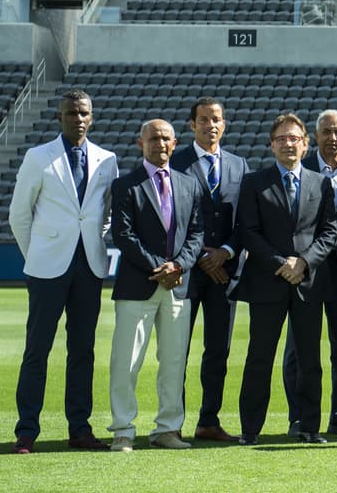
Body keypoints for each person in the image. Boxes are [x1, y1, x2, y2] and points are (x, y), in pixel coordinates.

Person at [8, 89, 118, 454]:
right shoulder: (39, 157)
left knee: (83, 351)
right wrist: (38, 254)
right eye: (72, 113)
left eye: (84, 113)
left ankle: (79, 429)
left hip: (89, 266)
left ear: (92, 116)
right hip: (46, 268)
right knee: (37, 350)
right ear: (60, 117)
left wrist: (90, 243)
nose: (79, 119)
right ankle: (26, 431)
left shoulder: (107, 159)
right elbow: (19, 215)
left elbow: (104, 215)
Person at [234, 113, 337, 445]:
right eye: (281, 139)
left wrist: (304, 263)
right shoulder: (254, 182)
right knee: (259, 357)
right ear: (271, 145)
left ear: (305, 143)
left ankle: (309, 427)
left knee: (310, 359)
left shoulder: (320, 183)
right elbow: (247, 231)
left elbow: (329, 232)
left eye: (294, 138)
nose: (288, 144)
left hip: (307, 284)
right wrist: (282, 263)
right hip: (268, 281)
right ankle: (250, 429)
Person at [106, 119, 204, 452]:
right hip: (138, 285)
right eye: (153, 139)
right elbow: (123, 234)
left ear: (175, 144)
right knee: (126, 361)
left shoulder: (189, 184)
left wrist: (177, 266)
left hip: (178, 285)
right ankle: (122, 429)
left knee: (174, 361)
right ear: (140, 143)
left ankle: (168, 429)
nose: (159, 144)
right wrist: (157, 267)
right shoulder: (125, 185)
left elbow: (197, 233)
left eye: (165, 139)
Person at [170, 96, 248, 443]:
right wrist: (202, 255)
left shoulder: (239, 165)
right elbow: (169, 217)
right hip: (185, 272)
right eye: (203, 119)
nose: (210, 125)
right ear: (192, 125)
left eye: (216, 119)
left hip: (225, 272)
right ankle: (171, 422)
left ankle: (208, 421)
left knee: (218, 350)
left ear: (224, 124)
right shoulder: (175, 162)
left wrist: (227, 252)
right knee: (178, 350)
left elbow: (246, 220)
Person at [284, 109, 337, 437]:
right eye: (326, 132)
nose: (332, 137)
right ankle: (297, 417)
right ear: (314, 137)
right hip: (306, 274)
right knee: (297, 350)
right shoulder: (300, 170)